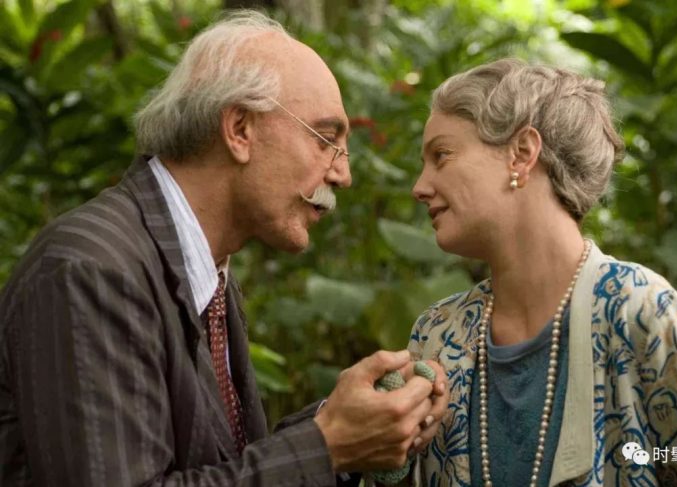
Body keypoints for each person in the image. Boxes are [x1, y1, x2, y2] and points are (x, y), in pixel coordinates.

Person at [0, 10, 448, 486]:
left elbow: (215, 468)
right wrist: (328, 445)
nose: (343, 173)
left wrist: (347, 426)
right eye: (325, 139)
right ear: (239, 130)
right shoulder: (92, 269)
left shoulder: (202, 271)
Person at [408, 58, 677, 486]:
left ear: (522, 154)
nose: (419, 186)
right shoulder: (437, 335)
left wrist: (637, 453)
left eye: (441, 156)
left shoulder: (647, 316)